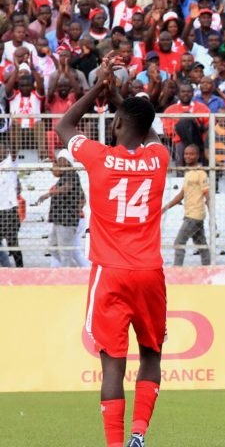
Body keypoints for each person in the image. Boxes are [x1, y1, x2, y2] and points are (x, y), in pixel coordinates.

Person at [57, 59, 169, 447]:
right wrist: (124, 101)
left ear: (117, 124)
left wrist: (99, 89)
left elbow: (64, 125)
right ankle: (139, 434)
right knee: (152, 355)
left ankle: (115, 444)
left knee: (112, 364)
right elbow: (144, 127)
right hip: (150, 271)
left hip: (111, 271)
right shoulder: (159, 159)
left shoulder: (98, 157)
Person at [36, 149, 87, 267]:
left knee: (65, 252)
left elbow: (67, 187)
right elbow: (55, 173)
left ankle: (68, 274)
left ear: (68, 162)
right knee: (52, 247)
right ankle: (72, 269)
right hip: (58, 218)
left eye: (62, 160)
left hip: (67, 220)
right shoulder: (63, 176)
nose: (59, 163)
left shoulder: (72, 174)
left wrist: (49, 194)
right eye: (59, 160)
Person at [166, 143, 211, 266]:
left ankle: (177, 269)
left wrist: (211, 213)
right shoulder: (188, 172)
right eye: (186, 153)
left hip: (194, 215)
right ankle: (208, 267)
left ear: (197, 156)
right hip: (191, 214)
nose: (188, 156)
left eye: (191, 154)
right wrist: (165, 208)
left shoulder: (200, 172)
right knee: (201, 244)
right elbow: (182, 194)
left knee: (179, 242)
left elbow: (206, 193)